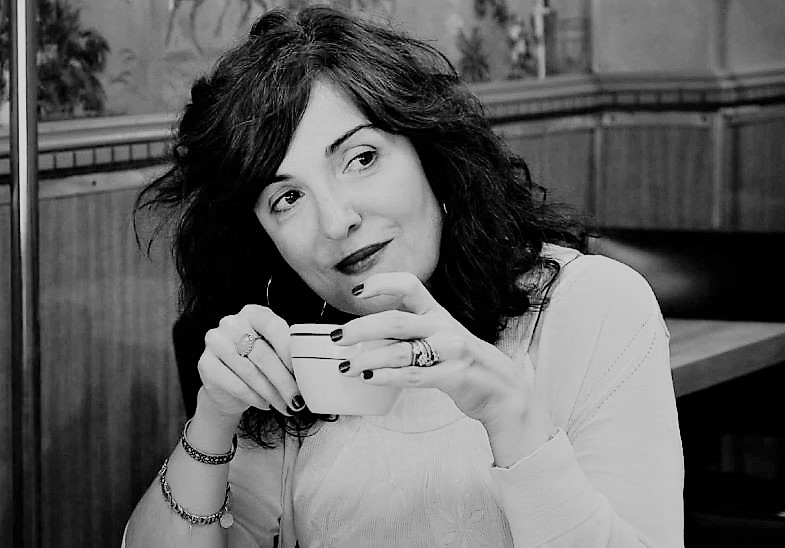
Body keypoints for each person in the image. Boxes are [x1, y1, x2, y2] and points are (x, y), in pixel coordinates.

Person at [125, 6, 683, 548]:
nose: (337, 220)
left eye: (361, 158)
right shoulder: (302, 352)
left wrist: (507, 414)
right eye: (287, 198)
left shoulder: (593, 305)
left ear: (431, 156)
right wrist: (214, 417)